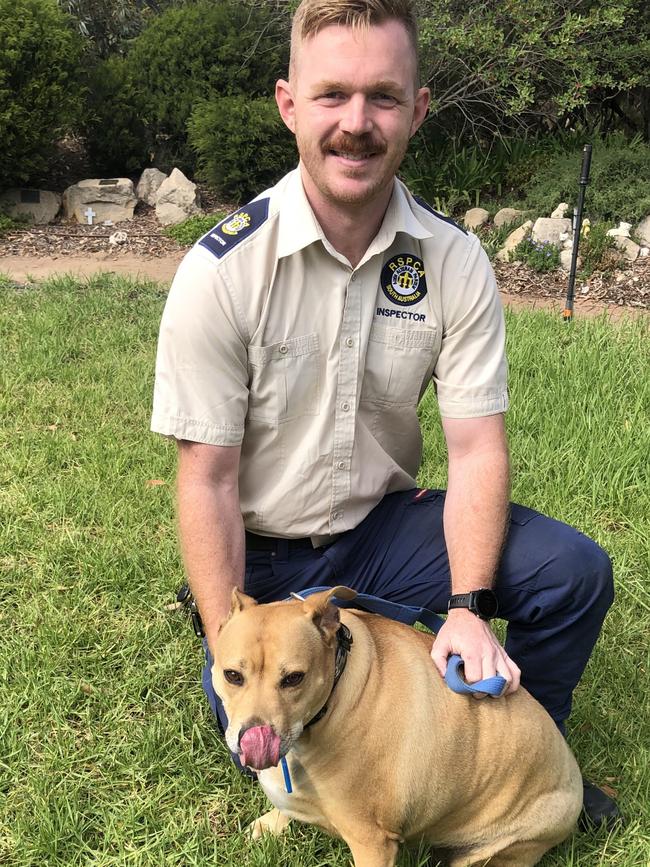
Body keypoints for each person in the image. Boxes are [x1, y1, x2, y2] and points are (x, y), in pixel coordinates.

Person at [152, 0, 619, 829]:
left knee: (570, 573)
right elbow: (208, 476)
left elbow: (475, 450)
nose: (357, 124)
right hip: (262, 566)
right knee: (252, 719)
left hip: (383, 533)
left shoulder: (455, 260)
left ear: (418, 109)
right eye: (332, 95)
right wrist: (228, 638)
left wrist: (471, 608)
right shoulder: (221, 270)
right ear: (290, 103)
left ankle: (513, 765)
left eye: (383, 97)